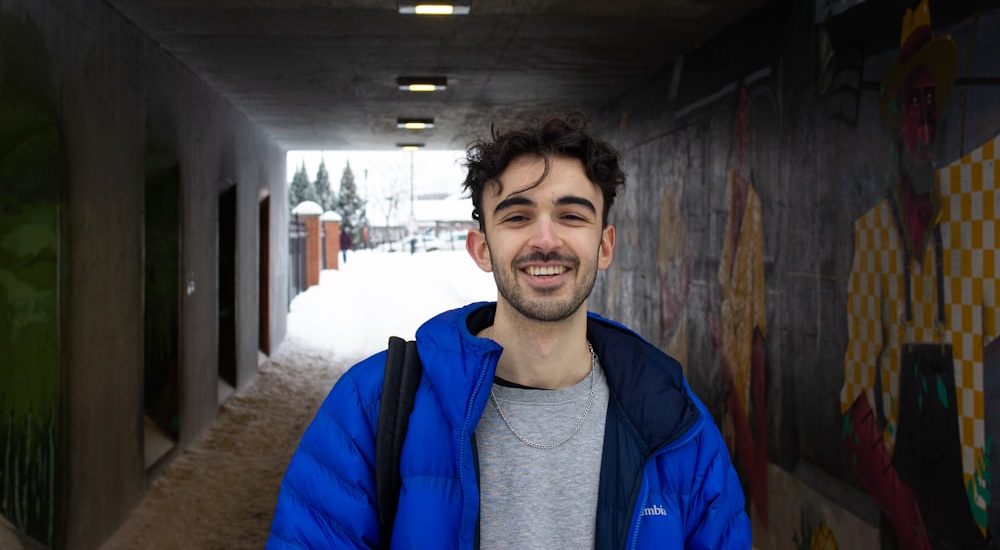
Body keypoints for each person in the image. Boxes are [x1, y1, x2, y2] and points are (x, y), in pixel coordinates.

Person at [267, 113, 751, 549]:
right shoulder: (371, 408)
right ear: (481, 248)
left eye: (572, 215)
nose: (545, 239)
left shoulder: (674, 423)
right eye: (518, 216)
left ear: (604, 246)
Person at [839, 0, 994, 548]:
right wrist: (897, 501)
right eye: (914, 102)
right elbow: (856, 383)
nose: (926, 116)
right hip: (901, 461)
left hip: (963, 464)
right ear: (896, 117)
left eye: (933, 101)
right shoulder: (875, 232)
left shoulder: (969, 216)